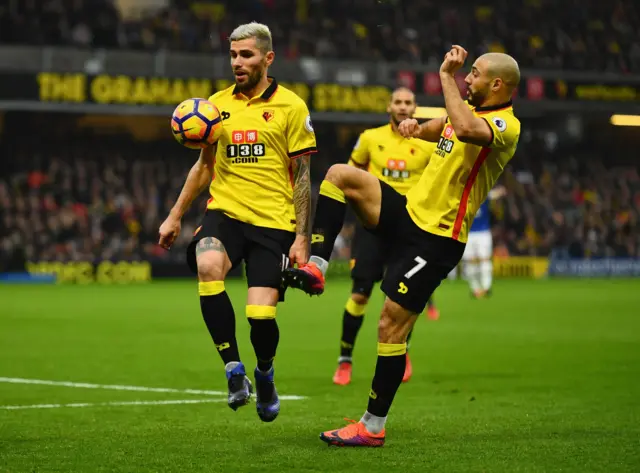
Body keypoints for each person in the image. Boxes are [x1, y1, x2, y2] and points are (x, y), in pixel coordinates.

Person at [284, 47, 521, 446]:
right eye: (467, 73)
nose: (467, 78)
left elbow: (461, 128)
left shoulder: (504, 125)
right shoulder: (464, 113)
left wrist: (445, 76)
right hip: (410, 214)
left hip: (438, 238)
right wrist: (415, 127)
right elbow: (443, 126)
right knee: (341, 174)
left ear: (497, 84)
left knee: (390, 327)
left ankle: (372, 425)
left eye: (474, 74)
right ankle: (317, 267)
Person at [158, 22, 316, 423]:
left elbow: (301, 175)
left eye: (246, 55)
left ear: (268, 58)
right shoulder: (215, 105)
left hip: (273, 222)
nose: (237, 63)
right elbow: (204, 166)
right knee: (208, 265)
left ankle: (264, 372)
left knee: (260, 318)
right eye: (233, 55)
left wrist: (301, 237)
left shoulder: (292, 107)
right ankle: (233, 371)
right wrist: (175, 215)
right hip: (225, 213)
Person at [333, 87, 439, 387]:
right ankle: (345, 360)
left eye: (408, 102)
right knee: (360, 295)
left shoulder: (429, 146)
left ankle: (401, 350)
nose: (403, 107)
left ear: (415, 107)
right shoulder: (370, 138)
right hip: (373, 227)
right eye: (398, 102)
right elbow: (350, 176)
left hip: (410, 229)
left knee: (401, 298)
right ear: (389, 106)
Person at [462, 186, 506, 298]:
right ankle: (475, 288)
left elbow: (495, 193)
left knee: (485, 260)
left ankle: (486, 287)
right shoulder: (462, 195)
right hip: (468, 233)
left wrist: (501, 191)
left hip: (483, 232)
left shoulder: (483, 193)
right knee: (470, 262)